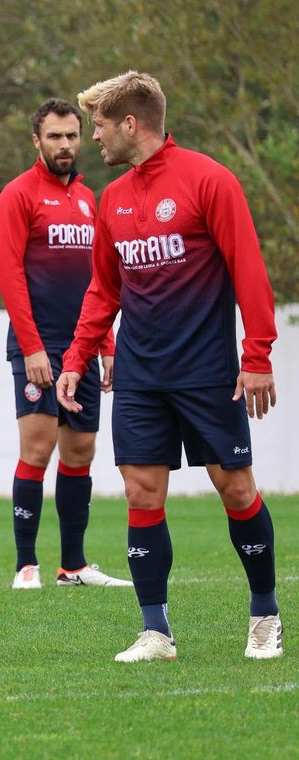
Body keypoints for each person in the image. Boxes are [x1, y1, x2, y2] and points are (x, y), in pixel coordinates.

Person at [56, 71, 281, 662]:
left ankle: (264, 615)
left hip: (208, 370)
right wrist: (78, 357)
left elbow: (249, 272)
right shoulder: (112, 199)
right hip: (138, 373)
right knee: (140, 490)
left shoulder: (210, 180)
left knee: (235, 489)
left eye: (99, 127)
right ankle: (156, 632)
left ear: (131, 124)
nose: (93, 139)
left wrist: (257, 355)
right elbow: (105, 290)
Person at [0, 97, 131, 591]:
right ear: (37, 141)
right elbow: (9, 275)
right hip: (38, 346)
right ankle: (25, 564)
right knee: (37, 448)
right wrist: (31, 348)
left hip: (84, 348)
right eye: (55, 136)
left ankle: (73, 565)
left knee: (81, 452)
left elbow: (101, 280)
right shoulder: (17, 195)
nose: (66, 144)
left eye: (73, 135)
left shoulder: (89, 198)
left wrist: (106, 344)